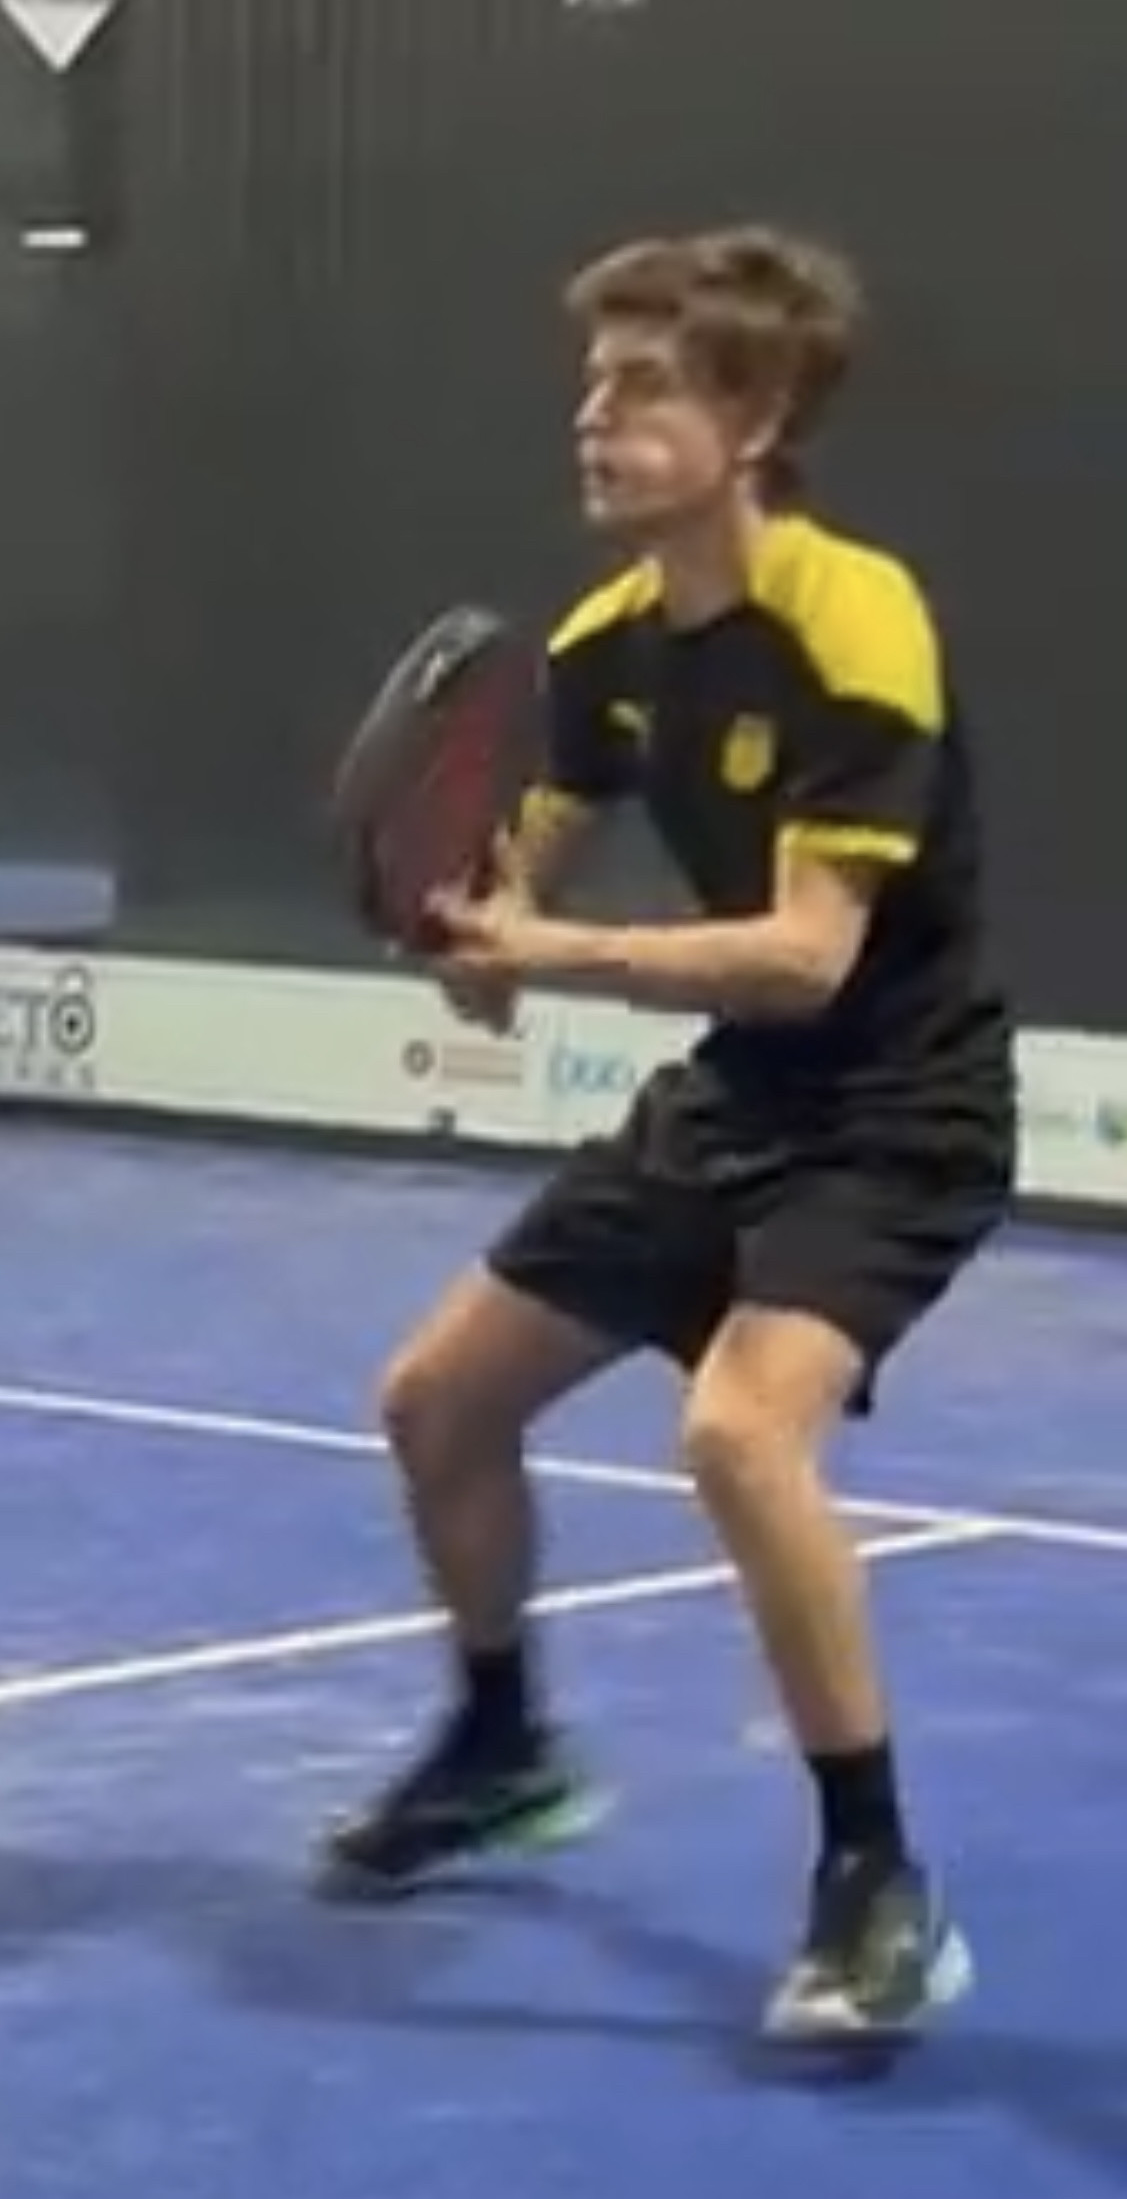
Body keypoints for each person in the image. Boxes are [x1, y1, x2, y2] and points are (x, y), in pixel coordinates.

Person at [320, 226, 1016, 2038]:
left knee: (738, 1432)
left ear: (757, 416)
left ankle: (875, 1884)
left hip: (900, 1110)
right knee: (436, 1404)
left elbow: (807, 953)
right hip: (736, 1099)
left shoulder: (852, 617)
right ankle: (501, 1745)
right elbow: (517, 892)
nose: (594, 416)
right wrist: (471, 941)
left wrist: (549, 950)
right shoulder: (604, 647)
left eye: (642, 387)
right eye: (591, 382)